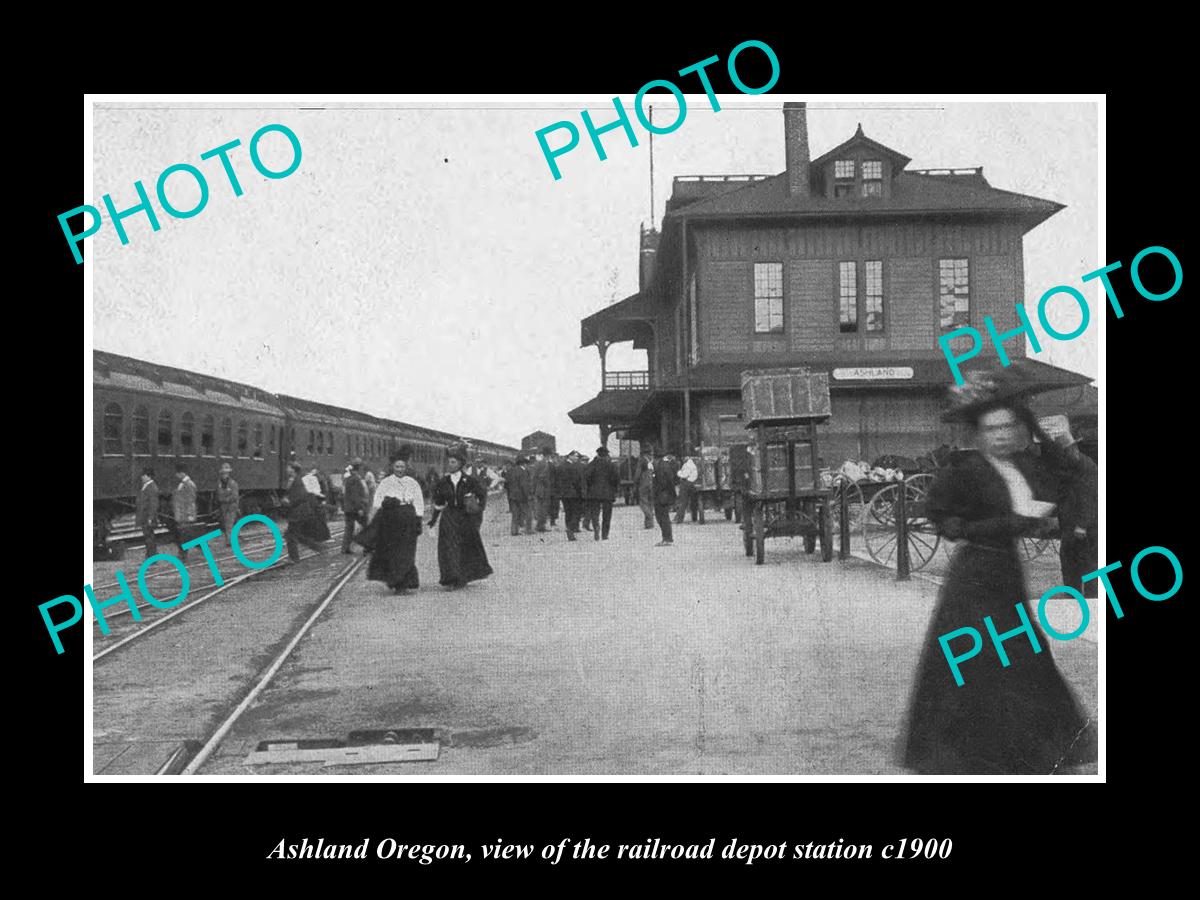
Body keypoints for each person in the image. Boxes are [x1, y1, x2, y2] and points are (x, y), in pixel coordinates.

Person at [899, 366, 1097, 775]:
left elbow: (1077, 472)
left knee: (1023, 656)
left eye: (1009, 427)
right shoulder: (964, 471)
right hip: (973, 576)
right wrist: (1005, 523)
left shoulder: (1027, 465)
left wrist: (1042, 434)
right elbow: (947, 523)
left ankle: (1029, 747)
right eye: (993, 429)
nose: (1002, 436)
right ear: (979, 433)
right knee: (979, 659)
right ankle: (970, 753)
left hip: (1007, 573)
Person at [1041, 417, 1099, 598]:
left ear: (1073, 449)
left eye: (1065, 453)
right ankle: (1072, 601)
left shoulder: (1087, 467)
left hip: (1086, 529)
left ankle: (1093, 603)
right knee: (1068, 566)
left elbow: (1088, 498)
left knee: (1089, 568)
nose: (1063, 457)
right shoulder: (1069, 469)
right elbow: (1061, 497)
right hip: (1069, 528)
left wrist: (1082, 525)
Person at [431, 444, 493, 589]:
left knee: (464, 547)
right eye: (449, 462)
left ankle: (462, 576)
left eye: (453, 462)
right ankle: (451, 578)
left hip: (465, 517)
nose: (450, 465)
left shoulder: (470, 481)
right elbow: (439, 501)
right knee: (449, 548)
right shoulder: (443, 482)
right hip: (449, 517)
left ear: (460, 464)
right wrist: (433, 519)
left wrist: (478, 510)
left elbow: (482, 494)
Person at [365, 447, 424, 593]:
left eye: (402, 466)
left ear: (406, 467)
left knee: (407, 552)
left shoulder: (412, 482)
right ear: (393, 467)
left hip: (408, 519)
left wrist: (418, 519)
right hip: (391, 521)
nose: (399, 469)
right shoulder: (386, 483)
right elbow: (377, 502)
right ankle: (396, 582)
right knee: (393, 552)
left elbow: (419, 501)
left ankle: (405, 582)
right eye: (397, 467)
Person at [283, 460, 331, 561]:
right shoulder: (294, 479)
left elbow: (300, 496)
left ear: (293, 470)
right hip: (299, 511)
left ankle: (295, 558)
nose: (287, 469)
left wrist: (288, 501)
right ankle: (317, 547)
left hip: (299, 512)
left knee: (291, 535)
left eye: (288, 467)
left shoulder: (299, 481)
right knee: (295, 535)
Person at [585, 446, 621, 541]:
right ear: (607, 454)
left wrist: (590, 487)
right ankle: (605, 534)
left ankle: (596, 527)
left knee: (595, 513)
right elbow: (616, 478)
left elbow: (587, 477)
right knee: (607, 515)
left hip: (594, 493)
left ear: (598, 454)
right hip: (608, 493)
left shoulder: (592, 464)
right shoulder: (611, 465)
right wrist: (614, 489)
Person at [555, 450, 586, 541]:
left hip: (564, 494)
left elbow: (557, 481)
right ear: (570, 456)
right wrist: (580, 492)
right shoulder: (573, 467)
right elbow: (577, 481)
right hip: (573, 494)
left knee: (568, 513)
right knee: (576, 512)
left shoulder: (560, 466)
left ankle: (569, 529)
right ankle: (571, 529)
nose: (577, 458)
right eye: (576, 456)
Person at [341, 458, 369, 554]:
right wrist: (360, 508)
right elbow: (355, 495)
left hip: (349, 508)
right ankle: (367, 546)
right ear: (359, 468)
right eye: (362, 467)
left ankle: (345, 548)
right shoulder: (355, 479)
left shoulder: (349, 478)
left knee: (349, 528)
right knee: (366, 526)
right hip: (354, 509)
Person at [172, 462, 198, 560]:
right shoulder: (182, 484)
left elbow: (191, 501)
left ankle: (183, 555)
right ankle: (182, 553)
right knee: (182, 535)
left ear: (182, 473)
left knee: (184, 535)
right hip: (181, 515)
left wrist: (190, 515)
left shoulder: (189, 484)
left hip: (185, 515)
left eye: (177, 474)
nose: (176, 476)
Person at [652, 447, 677, 546]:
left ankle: (667, 538)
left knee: (662, 517)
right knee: (663, 517)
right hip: (664, 494)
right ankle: (667, 538)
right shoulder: (664, 465)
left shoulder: (659, 466)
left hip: (661, 495)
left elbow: (665, 482)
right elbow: (671, 482)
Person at [505, 455, 534, 536]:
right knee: (528, 512)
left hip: (513, 496)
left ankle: (514, 531)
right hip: (522, 496)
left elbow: (508, 482)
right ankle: (528, 529)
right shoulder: (523, 472)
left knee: (515, 513)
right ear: (524, 464)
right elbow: (524, 485)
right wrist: (528, 495)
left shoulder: (512, 471)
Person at [136, 467, 159, 558]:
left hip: (147, 517)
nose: (142, 477)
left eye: (143, 475)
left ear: (148, 476)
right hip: (145, 517)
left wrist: (150, 517)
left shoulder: (151, 487)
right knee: (148, 536)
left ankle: (152, 555)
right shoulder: (146, 486)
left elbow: (154, 504)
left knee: (149, 537)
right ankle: (150, 555)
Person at [674, 445, 701, 524]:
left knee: (683, 502)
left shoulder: (688, 465)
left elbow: (684, 475)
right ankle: (694, 518)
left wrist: (678, 473)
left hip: (686, 483)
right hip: (692, 484)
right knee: (693, 502)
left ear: (687, 457)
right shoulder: (691, 464)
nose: (683, 458)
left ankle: (679, 519)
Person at [215, 462, 240, 546]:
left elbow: (234, 496)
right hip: (222, 507)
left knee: (229, 525)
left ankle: (230, 542)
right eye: (222, 473)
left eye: (225, 473)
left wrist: (224, 499)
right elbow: (218, 494)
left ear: (228, 474)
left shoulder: (233, 484)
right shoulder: (219, 484)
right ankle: (229, 540)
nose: (224, 475)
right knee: (225, 525)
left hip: (231, 508)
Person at [532, 447, 555, 533]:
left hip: (541, 488)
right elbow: (538, 477)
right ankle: (540, 526)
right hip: (543, 488)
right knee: (543, 508)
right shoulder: (544, 464)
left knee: (541, 508)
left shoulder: (539, 463)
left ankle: (541, 525)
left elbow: (534, 477)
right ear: (548, 455)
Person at [633, 447, 656, 529]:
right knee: (650, 503)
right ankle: (649, 524)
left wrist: (635, 482)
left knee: (643, 502)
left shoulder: (642, 460)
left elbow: (638, 473)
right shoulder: (654, 460)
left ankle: (649, 516)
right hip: (652, 482)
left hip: (644, 483)